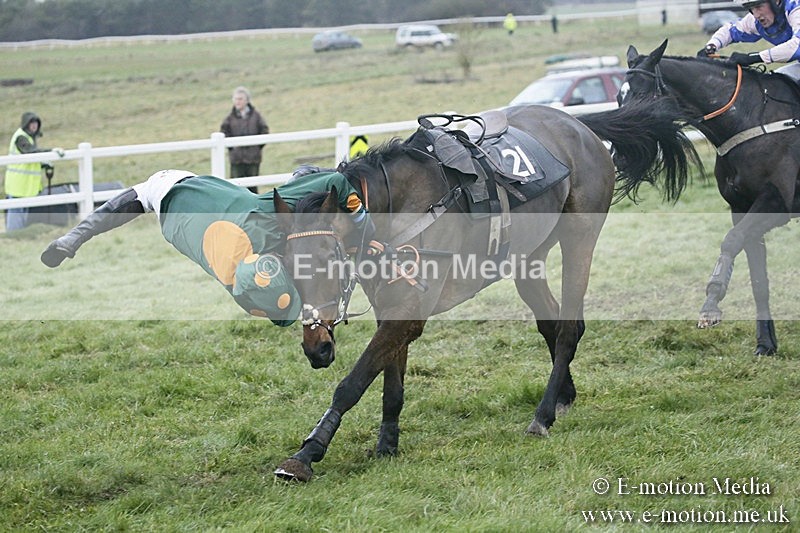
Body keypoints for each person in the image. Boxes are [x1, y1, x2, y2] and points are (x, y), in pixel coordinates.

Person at [40, 169, 374, 326]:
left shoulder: (257, 242)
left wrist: (74, 239)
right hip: (192, 205)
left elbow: (332, 184)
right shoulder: (263, 230)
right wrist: (363, 225)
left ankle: (303, 177)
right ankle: (304, 176)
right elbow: (335, 183)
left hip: (181, 205)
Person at [698, 0, 800, 72]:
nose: (756, 15)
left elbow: (797, 46)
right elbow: (730, 30)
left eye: (758, 7)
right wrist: (711, 46)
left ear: (775, 2)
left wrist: (755, 57)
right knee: (776, 84)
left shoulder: (795, 8)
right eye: (751, 9)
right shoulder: (756, 20)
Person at [4, 112, 63, 231]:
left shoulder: (29, 137)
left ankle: (18, 235)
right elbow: (30, 152)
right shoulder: (21, 137)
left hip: (25, 185)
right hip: (18, 184)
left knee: (22, 212)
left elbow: (30, 161)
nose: (34, 125)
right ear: (26, 124)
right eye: (31, 123)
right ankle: (13, 235)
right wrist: (50, 152)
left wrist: (44, 164)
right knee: (16, 213)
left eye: (36, 123)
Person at [220, 86, 269, 193]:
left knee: (253, 188)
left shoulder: (256, 116)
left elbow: (264, 131)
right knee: (236, 188)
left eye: (240, 99)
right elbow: (224, 133)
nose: (238, 101)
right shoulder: (229, 118)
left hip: (253, 159)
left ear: (247, 100)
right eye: (236, 99)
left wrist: (256, 148)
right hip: (236, 160)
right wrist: (232, 148)